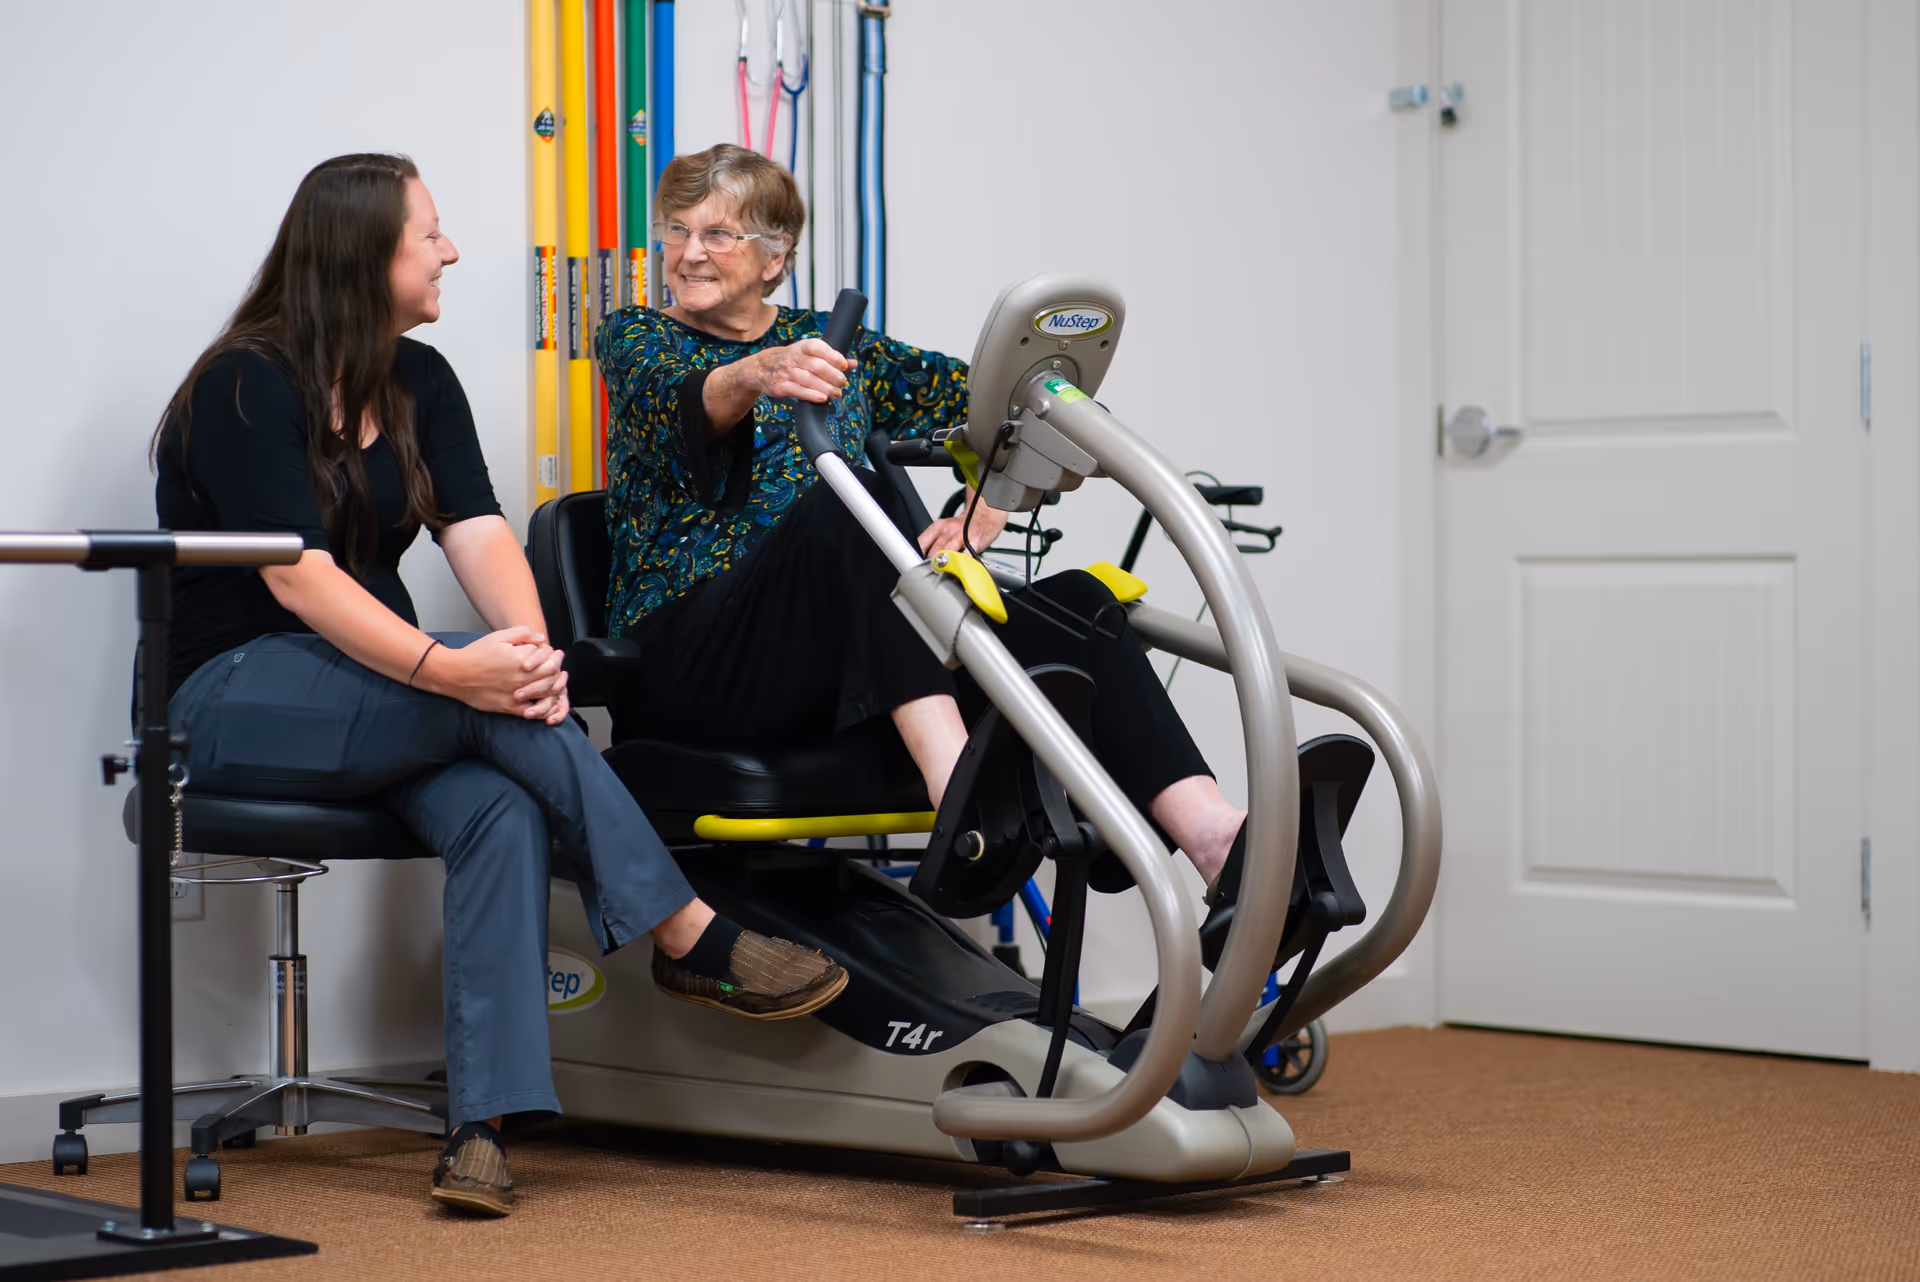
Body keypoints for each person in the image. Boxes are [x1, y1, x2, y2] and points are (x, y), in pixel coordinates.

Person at [153, 154, 846, 1219]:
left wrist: (529, 656)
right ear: (360, 253)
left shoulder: (419, 380)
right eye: (429, 232)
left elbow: (477, 532)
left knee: (500, 801)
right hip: (235, 696)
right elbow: (297, 579)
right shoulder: (243, 384)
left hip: (373, 690)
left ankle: (482, 1126)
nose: (452, 249)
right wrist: (455, 669)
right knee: (487, 713)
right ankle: (689, 936)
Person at [595, 144, 1252, 905]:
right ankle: (961, 808)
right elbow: (684, 395)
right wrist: (760, 372)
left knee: (1076, 604)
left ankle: (1215, 838)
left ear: (777, 258)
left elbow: (1021, 406)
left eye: (717, 235)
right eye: (676, 232)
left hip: (837, 662)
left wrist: (988, 506)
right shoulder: (636, 335)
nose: (688, 254)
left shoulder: (847, 352)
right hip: (695, 662)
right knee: (852, 504)